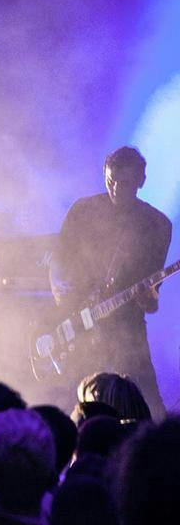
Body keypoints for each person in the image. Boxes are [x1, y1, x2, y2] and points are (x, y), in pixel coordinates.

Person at [50, 146, 172, 418]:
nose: (116, 188)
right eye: (110, 181)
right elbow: (58, 262)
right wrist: (68, 308)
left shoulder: (157, 225)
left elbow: (151, 297)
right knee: (76, 401)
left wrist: (147, 299)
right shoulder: (83, 210)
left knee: (149, 402)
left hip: (126, 327)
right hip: (78, 321)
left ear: (142, 181)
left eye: (125, 183)